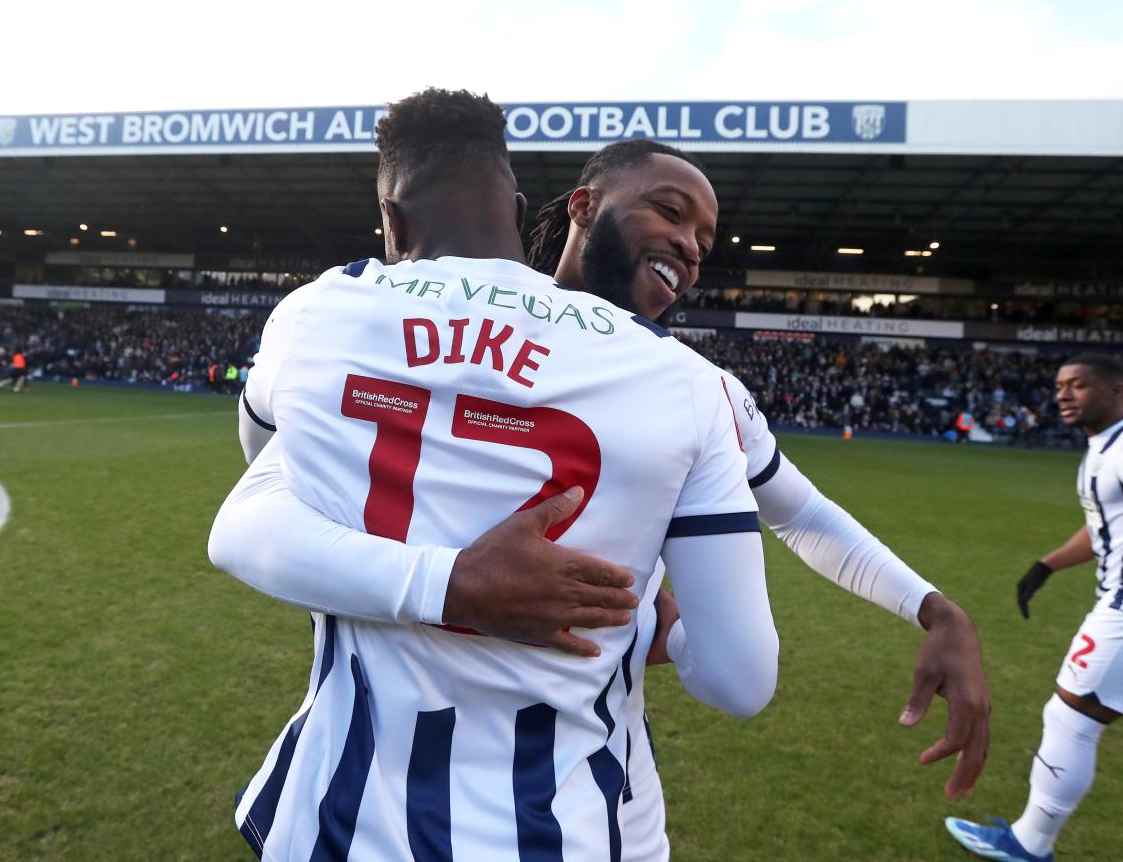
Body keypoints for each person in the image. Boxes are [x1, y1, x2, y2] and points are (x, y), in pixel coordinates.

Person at [209, 89, 778, 861]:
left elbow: (262, 493)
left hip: (332, 824)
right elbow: (741, 679)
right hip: (556, 831)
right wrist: (646, 619)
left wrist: (432, 572)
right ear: (516, 207)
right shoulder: (678, 378)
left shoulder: (322, 312)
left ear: (393, 221)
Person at [525, 139, 990, 856]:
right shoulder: (456, 338)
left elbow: (801, 512)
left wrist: (935, 608)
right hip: (396, 775)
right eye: (670, 212)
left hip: (607, 786)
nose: (689, 246)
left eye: (705, 240)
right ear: (584, 206)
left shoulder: (703, 391)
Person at [946, 353, 1123, 862]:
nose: (1065, 394)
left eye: (1080, 385)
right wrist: (1045, 566)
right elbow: (1104, 527)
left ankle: (1030, 843)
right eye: (1060, 385)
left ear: (1115, 390)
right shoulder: (1100, 451)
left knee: (1071, 718)